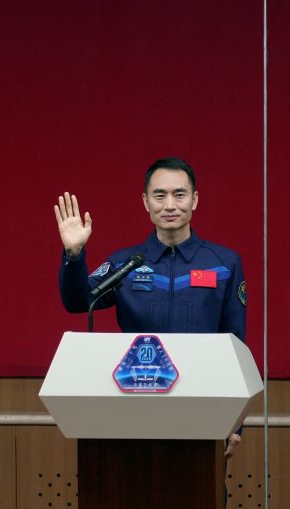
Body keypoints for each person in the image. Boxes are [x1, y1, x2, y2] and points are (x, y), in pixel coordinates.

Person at [54, 156, 246, 458]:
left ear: (194, 200)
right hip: (132, 408)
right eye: (160, 195)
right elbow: (78, 301)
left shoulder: (224, 264)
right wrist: (74, 253)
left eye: (179, 194)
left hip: (202, 409)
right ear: (146, 202)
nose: (170, 205)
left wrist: (236, 422)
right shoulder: (126, 263)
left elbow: (236, 345)